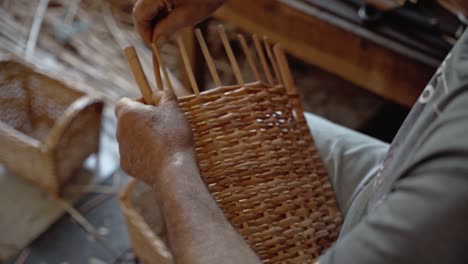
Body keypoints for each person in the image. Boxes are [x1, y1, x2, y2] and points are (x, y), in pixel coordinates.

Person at [115, 0, 468, 263]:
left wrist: (171, 164)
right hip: (395, 174)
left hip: (428, 217)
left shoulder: (457, 168)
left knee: (187, 172)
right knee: (262, 129)